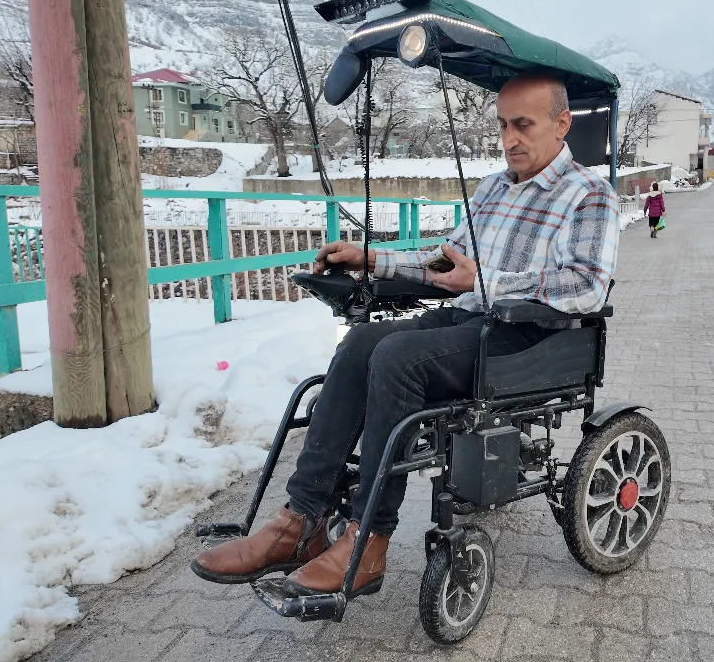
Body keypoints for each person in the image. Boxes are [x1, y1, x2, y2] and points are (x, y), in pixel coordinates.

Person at [191, 74, 620, 599]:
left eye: (523, 125)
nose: (510, 139)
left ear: (562, 124)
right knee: (360, 344)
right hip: (469, 324)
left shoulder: (589, 194)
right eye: (503, 125)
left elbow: (587, 287)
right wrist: (373, 259)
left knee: (398, 357)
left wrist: (486, 282)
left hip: (530, 337)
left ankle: (368, 542)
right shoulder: (491, 187)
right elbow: (447, 263)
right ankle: (299, 520)